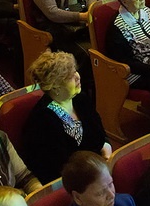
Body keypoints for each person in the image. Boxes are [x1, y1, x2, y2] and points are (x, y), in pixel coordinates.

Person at [21, 51, 110, 184]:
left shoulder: (81, 99)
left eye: (75, 71)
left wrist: (105, 147)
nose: (78, 77)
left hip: (94, 170)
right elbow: (56, 167)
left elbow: (99, 135)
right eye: (70, 76)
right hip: (68, 182)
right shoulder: (43, 119)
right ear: (55, 87)